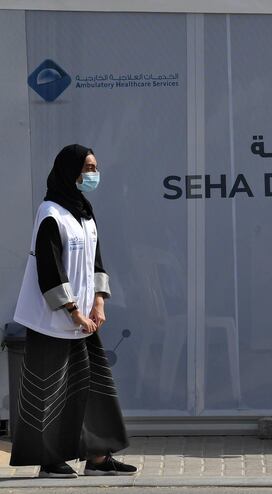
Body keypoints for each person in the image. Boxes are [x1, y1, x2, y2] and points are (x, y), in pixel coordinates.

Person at [11, 144, 137, 478]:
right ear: (70, 171)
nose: (93, 174)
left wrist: (98, 302)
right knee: (49, 390)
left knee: (94, 386)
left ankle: (97, 457)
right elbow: (49, 270)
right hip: (53, 320)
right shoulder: (50, 212)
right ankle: (49, 461)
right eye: (88, 168)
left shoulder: (84, 212)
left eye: (95, 168)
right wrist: (72, 311)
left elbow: (96, 261)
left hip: (82, 319)